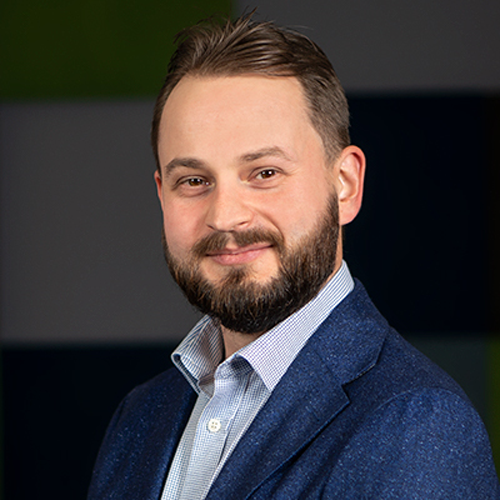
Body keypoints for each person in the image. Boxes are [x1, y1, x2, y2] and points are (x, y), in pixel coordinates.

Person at [87, 13, 500, 500]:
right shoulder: (140, 417)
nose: (226, 216)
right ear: (162, 195)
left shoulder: (417, 425)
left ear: (345, 185)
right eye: (194, 181)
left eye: (264, 173)